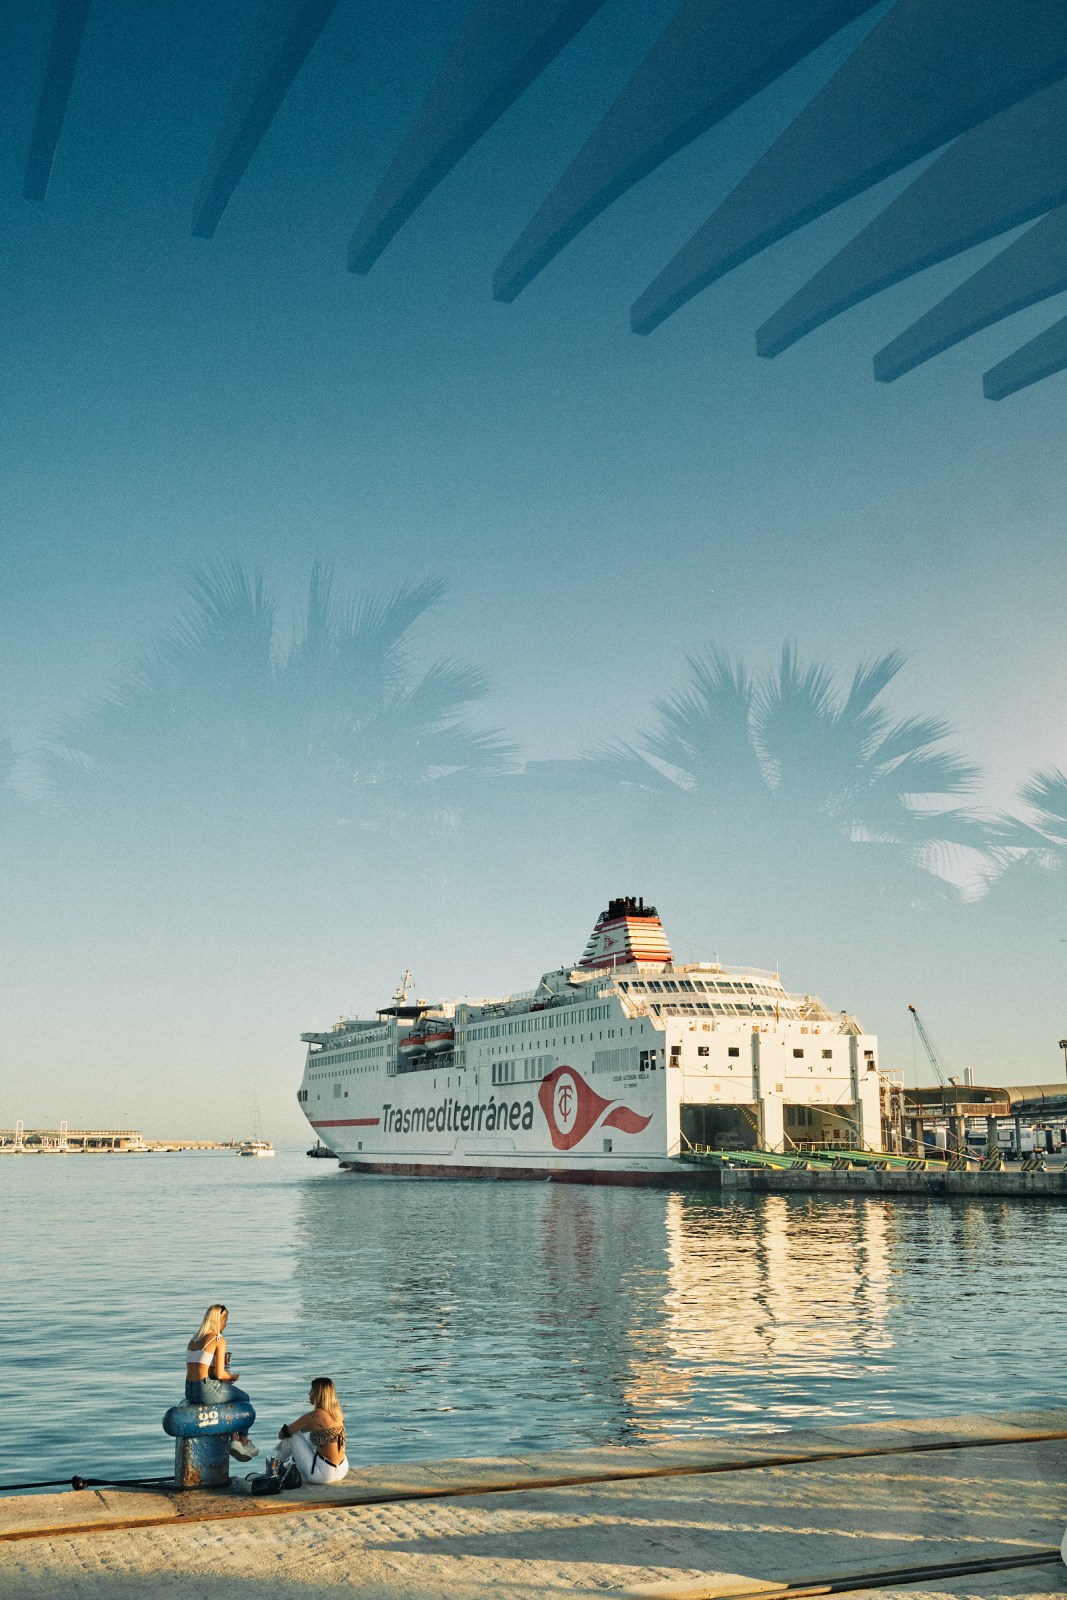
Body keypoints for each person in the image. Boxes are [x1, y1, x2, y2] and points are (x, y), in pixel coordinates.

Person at [185, 1302, 257, 1462]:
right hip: (206, 1390)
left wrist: (221, 1377)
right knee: (244, 1398)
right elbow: (219, 1373)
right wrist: (231, 1377)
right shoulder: (218, 1339)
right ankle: (243, 1441)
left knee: (227, 1396)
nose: (225, 1325)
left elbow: (200, 1369)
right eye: (225, 1321)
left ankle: (235, 1440)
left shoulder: (194, 1340)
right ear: (219, 1320)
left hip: (190, 1390)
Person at [268, 1377, 349, 1486]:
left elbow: (283, 1434)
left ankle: (273, 1469)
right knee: (313, 1436)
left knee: (293, 1436)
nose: (309, 1394)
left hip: (324, 1475)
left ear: (317, 1394)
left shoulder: (314, 1417)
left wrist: (290, 1432)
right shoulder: (337, 1413)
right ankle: (290, 1465)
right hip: (342, 1469)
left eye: (311, 1391)